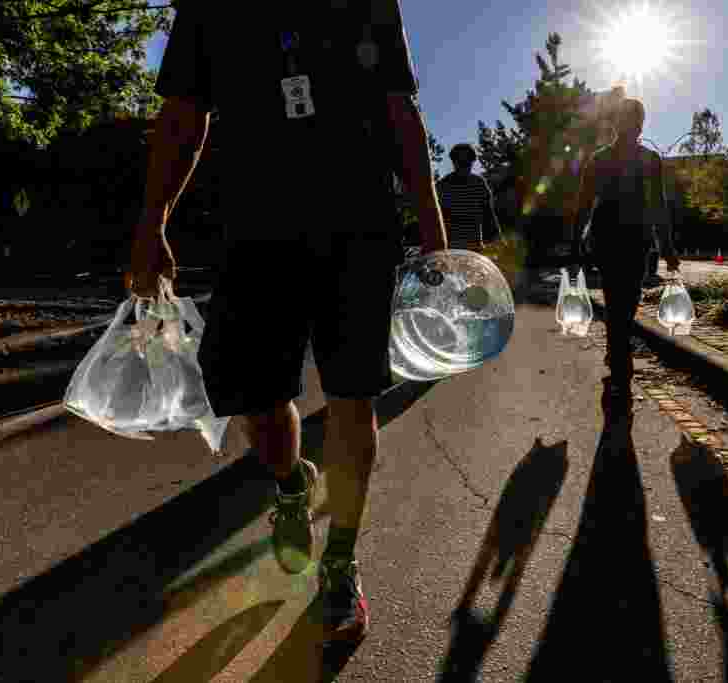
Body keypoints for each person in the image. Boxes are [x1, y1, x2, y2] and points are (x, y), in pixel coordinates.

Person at [125, 0, 448, 646]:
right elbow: (184, 113)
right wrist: (152, 222)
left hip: (359, 226)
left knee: (354, 394)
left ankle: (340, 561)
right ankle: (289, 483)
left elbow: (398, 111)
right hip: (255, 229)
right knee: (257, 399)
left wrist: (436, 234)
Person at [566, 95, 680, 430]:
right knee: (622, 305)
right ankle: (620, 366)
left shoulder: (607, 158)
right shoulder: (636, 159)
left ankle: (618, 361)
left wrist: (575, 243)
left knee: (620, 305)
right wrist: (668, 247)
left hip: (617, 240)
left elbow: (584, 206)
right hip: (625, 240)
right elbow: (588, 203)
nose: (634, 126)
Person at [436, 143, 503, 250]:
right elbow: (436, 218)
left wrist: (497, 240)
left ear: (472, 162)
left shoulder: (479, 183)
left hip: (475, 247)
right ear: (454, 162)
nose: (464, 167)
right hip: (450, 248)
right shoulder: (442, 186)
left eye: (467, 163)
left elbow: (488, 214)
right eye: (460, 162)